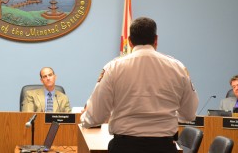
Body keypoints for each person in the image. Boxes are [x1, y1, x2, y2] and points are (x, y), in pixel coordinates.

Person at [80, 17, 199, 153]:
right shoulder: (177, 68)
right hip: (163, 146)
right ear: (156, 40)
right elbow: (189, 114)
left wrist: (84, 119)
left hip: (125, 147)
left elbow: (96, 115)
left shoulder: (114, 68)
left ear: (129, 41)